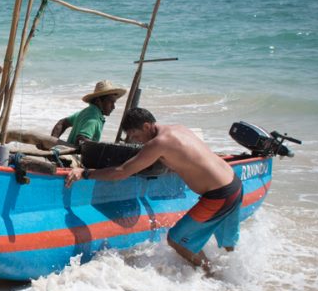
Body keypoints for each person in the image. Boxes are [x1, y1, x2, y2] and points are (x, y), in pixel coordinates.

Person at [65, 108, 243, 274]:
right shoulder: (178, 129)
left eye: (136, 135)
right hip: (234, 184)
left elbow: (122, 172)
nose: (136, 141)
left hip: (219, 196)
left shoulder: (158, 144)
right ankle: (237, 278)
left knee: (177, 240)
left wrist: (86, 173)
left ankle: (211, 275)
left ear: (146, 126)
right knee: (228, 245)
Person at [51, 80, 127, 146]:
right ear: (98, 101)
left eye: (114, 103)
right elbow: (81, 139)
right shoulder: (94, 118)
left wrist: (51, 142)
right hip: (75, 159)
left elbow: (62, 122)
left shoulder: (86, 111)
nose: (113, 107)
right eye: (110, 102)